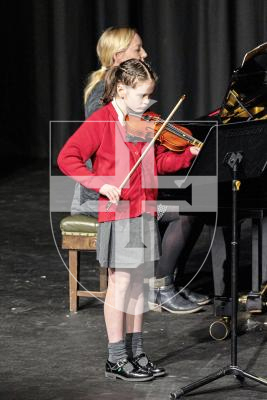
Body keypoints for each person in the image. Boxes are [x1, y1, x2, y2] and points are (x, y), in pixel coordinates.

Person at [58, 59, 200, 381]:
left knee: (139, 285)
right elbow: (67, 157)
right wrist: (100, 183)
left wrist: (185, 157)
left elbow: (157, 162)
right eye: (141, 96)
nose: (146, 103)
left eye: (150, 96)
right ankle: (116, 358)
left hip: (144, 209)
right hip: (119, 211)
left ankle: (137, 354)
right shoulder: (102, 121)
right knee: (120, 285)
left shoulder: (141, 123)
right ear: (121, 90)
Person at [71, 26, 209, 314]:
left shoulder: (130, 93)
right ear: (118, 56)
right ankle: (160, 288)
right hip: (108, 196)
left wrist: (181, 150)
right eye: (137, 49)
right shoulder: (101, 95)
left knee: (197, 203)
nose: (144, 53)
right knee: (185, 211)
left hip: (133, 185)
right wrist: (150, 132)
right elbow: (112, 141)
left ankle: (167, 280)